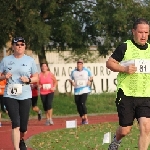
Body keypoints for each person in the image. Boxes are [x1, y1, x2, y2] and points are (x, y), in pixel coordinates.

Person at [106, 18, 150, 150]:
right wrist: (124, 69)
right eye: (140, 32)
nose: (143, 35)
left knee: (146, 127)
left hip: (145, 95)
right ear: (133, 32)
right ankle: (116, 140)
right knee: (125, 130)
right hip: (126, 94)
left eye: (146, 32)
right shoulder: (125, 47)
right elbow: (110, 63)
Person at [0, 37, 38, 150]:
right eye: (17, 44)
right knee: (15, 122)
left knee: (23, 127)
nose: (19, 46)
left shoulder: (30, 60)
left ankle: (21, 139)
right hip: (10, 94)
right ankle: (16, 148)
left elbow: (36, 77)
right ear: (13, 47)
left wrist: (29, 80)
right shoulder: (6, 60)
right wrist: (4, 76)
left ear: (25, 46)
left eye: (22, 44)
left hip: (25, 94)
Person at [69, 59, 93, 125]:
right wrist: (72, 82)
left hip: (85, 89)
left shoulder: (86, 70)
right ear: (77, 65)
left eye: (80, 64)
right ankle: (82, 118)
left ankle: (86, 118)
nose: (79, 65)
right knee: (78, 103)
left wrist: (89, 81)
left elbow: (91, 77)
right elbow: (70, 79)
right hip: (77, 90)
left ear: (82, 64)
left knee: (82, 102)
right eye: (78, 64)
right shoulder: (73, 72)